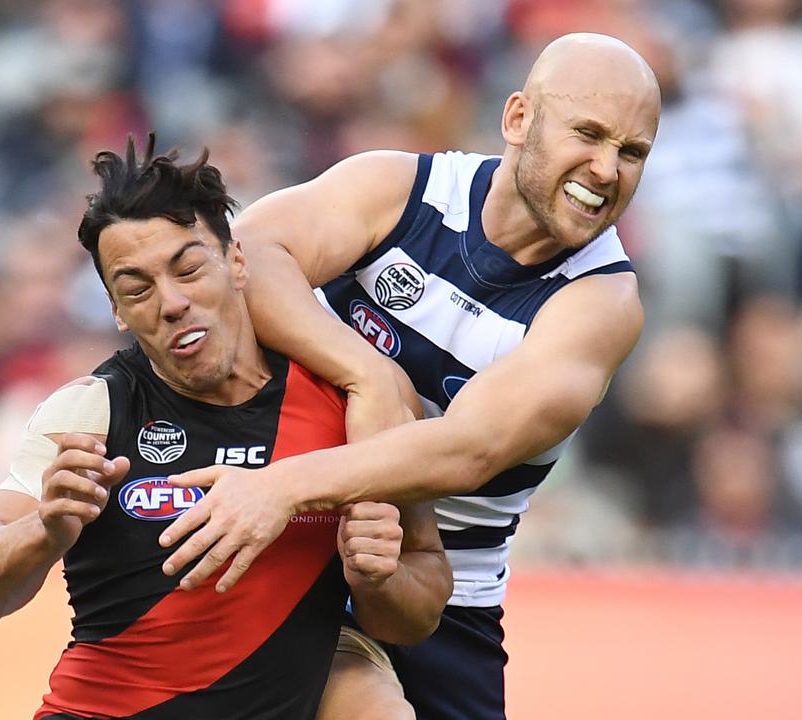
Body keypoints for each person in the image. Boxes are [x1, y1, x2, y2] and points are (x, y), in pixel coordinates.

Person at [155, 33, 662, 719]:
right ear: (518, 120)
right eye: (589, 135)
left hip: (437, 597)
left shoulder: (602, 302)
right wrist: (365, 370)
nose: (606, 168)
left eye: (631, 152)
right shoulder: (404, 188)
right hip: (292, 543)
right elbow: (246, 254)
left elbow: (465, 450)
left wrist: (280, 487)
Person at [0, 136, 452, 720]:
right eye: (137, 288)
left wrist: (379, 579)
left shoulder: (352, 398)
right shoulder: (90, 412)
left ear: (236, 261)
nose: (173, 302)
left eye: (188, 268)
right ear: (116, 309)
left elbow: (421, 599)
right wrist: (43, 532)